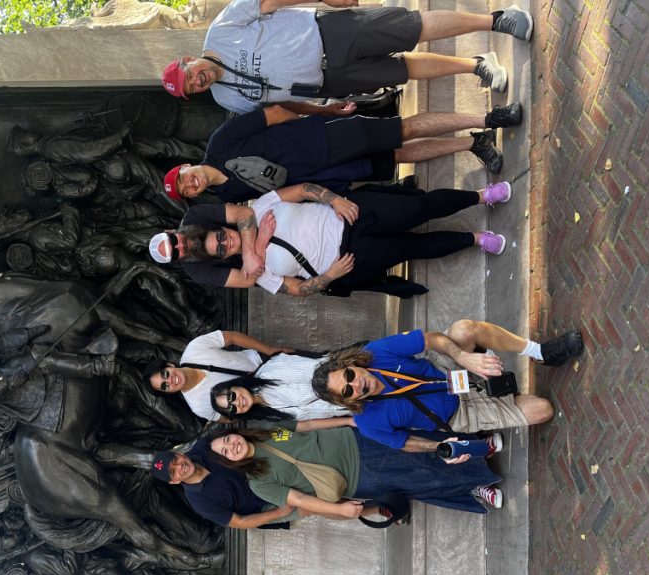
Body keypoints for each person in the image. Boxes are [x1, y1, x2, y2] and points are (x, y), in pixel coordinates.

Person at [160, 0, 533, 113]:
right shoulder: (225, 98)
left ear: (189, 59)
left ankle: (497, 20)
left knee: (411, 27)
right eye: (190, 88)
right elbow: (282, 108)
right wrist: (326, 109)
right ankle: (477, 65)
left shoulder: (221, 31)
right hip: (327, 81)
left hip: (327, 33)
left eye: (189, 74)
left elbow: (269, 2)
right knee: (401, 70)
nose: (196, 81)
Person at [175, 181, 513, 294]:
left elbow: (301, 189)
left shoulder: (261, 207)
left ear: (222, 229)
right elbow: (298, 289)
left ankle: (481, 196)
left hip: (351, 214)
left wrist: (333, 199)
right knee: (414, 248)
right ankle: (476, 239)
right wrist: (329, 276)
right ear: (221, 258)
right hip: (350, 260)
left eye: (220, 236)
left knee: (418, 208)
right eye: (220, 249)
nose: (225, 243)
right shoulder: (258, 276)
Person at [160, 102, 520, 205]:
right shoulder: (229, 194)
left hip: (324, 138)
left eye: (183, 178)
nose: (190, 184)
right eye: (186, 190)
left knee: (403, 128)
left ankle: (488, 117)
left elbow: (275, 114)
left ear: (185, 166)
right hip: (329, 172)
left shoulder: (220, 142)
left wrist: (324, 113)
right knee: (398, 156)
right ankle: (474, 143)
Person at [311, 321, 585, 455]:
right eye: (347, 391)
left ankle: (541, 351)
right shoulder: (368, 422)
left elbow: (430, 339)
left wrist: (464, 357)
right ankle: (502, 392)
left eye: (348, 375)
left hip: (445, 371)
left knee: (463, 330)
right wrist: (440, 447)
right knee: (543, 409)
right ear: (346, 402)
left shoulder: (375, 353)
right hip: (459, 414)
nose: (355, 384)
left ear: (349, 364)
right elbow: (404, 443)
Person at [209, 425, 506, 513]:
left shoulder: (263, 431)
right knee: (421, 480)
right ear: (228, 461)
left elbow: (304, 426)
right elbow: (298, 501)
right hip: (356, 477)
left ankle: (478, 447)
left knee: (422, 443)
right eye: (225, 451)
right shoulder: (258, 483)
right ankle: (474, 486)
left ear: (231, 433)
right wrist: (340, 510)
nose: (231, 446)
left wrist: (346, 420)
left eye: (226, 440)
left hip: (355, 440)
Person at [150, 437, 299, 529]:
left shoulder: (204, 447)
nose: (180, 467)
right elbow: (240, 522)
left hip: (264, 471)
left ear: (180, 454)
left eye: (175, 460)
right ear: (174, 481)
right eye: (173, 471)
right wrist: (279, 513)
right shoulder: (200, 503)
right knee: (307, 506)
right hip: (266, 505)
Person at [142, 329, 289, 421]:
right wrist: (255, 409)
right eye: (165, 385)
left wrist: (270, 350)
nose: (170, 380)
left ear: (169, 365)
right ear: (169, 392)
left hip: (265, 362)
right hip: (268, 399)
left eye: (165, 374)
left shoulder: (194, 349)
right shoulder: (198, 406)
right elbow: (225, 418)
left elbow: (232, 337)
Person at [208, 351, 352, 422]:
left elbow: (322, 371)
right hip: (353, 406)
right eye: (232, 408)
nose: (237, 402)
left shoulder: (269, 372)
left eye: (231, 396)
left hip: (354, 377)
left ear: (235, 385)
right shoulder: (268, 414)